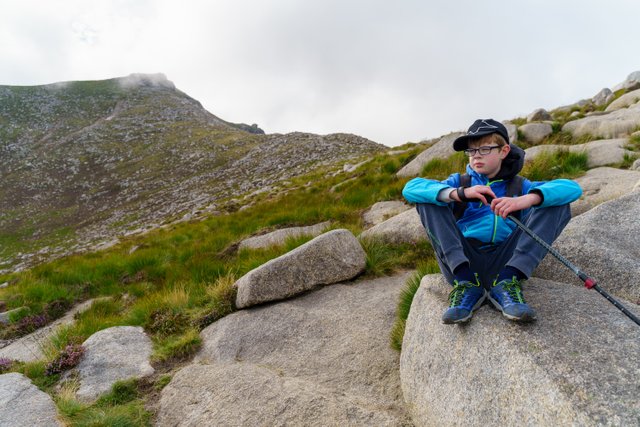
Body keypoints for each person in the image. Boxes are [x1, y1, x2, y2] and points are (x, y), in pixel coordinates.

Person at [402, 119, 582, 324]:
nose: (476, 155)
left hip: (507, 260)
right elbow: (410, 188)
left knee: (556, 202)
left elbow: (572, 188)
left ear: (504, 151)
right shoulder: (459, 182)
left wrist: (526, 199)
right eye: (471, 151)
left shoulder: (519, 186)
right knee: (428, 200)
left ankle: (507, 281)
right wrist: (458, 194)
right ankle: (467, 284)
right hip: (464, 260)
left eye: (485, 148)